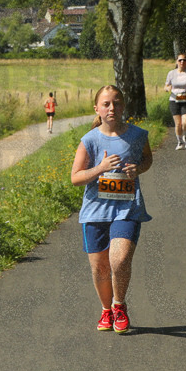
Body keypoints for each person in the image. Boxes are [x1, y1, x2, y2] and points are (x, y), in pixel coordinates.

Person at [70, 85, 153, 334]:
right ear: (97, 108)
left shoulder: (138, 135)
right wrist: (101, 168)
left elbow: (147, 159)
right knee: (100, 268)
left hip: (127, 208)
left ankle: (119, 305)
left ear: (123, 106)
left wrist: (138, 169)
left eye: (116, 103)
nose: (112, 108)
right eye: (106, 104)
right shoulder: (89, 139)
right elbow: (75, 177)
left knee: (120, 260)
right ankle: (106, 310)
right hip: (95, 211)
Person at [165, 53, 186, 149]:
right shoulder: (171, 73)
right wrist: (168, 88)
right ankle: (179, 141)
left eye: (184, 60)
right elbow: (166, 85)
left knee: (185, 121)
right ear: (177, 62)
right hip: (174, 100)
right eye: (180, 60)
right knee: (178, 124)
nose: (182, 62)